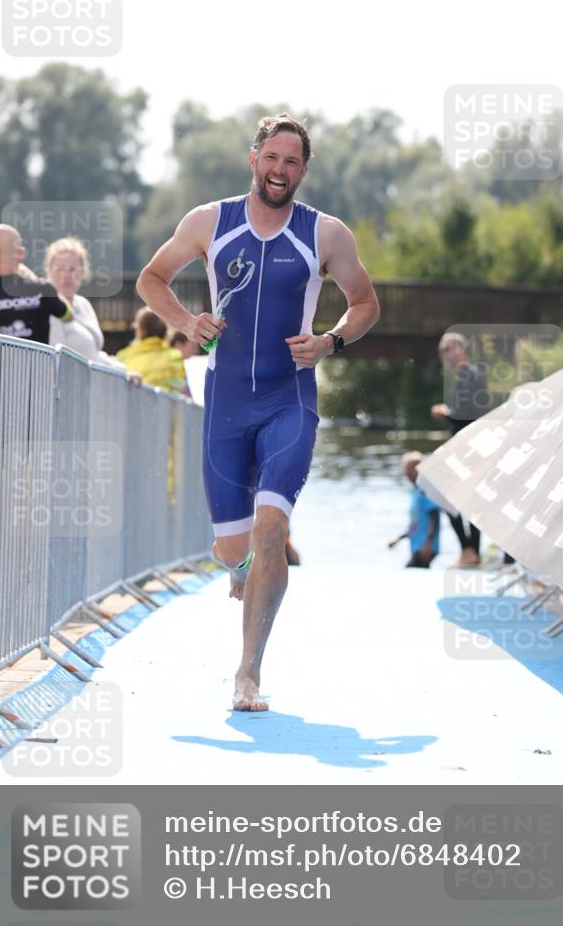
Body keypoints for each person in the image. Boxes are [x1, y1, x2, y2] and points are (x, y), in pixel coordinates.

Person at [136, 112, 380, 711]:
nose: (280, 169)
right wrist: (186, 321)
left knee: (272, 531)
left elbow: (365, 303)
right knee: (233, 547)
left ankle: (248, 672)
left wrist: (330, 341)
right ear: (253, 159)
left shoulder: (326, 234)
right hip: (224, 403)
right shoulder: (208, 222)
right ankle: (238, 566)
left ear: (304, 170)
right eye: (272, 157)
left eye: (292, 161)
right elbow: (152, 279)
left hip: (288, 399)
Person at [431, 332, 489, 567]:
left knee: (443, 493)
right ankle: (472, 552)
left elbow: (470, 412)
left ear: (460, 349)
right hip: (468, 447)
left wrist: (445, 412)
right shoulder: (468, 375)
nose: (443, 355)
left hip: (470, 449)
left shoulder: (470, 374)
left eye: (446, 350)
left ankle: (468, 550)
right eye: (441, 351)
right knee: (470, 500)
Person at [0, 224, 72, 342]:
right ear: (21, 254)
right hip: (36, 355)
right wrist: (34, 279)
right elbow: (68, 316)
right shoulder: (43, 289)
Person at [46, 236, 129, 374]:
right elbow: (55, 358)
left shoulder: (84, 304)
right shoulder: (49, 308)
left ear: (83, 272)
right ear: (49, 272)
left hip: (90, 383)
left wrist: (125, 371)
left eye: (72, 269)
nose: (66, 275)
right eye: (60, 269)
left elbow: (95, 355)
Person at [388, 451, 440, 568]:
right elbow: (414, 524)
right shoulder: (415, 491)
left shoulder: (425, 490)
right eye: (405, 469)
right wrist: (399, 539)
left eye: (409, 469)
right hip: (417, 546)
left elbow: (435, 516)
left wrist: (428, 543)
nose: (406, 473)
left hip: (425, 547)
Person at [116, 307, 186, 393]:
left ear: (140, 329)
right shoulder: (175, 356)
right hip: (165, 401)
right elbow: (180, 389)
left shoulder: (123, 356)